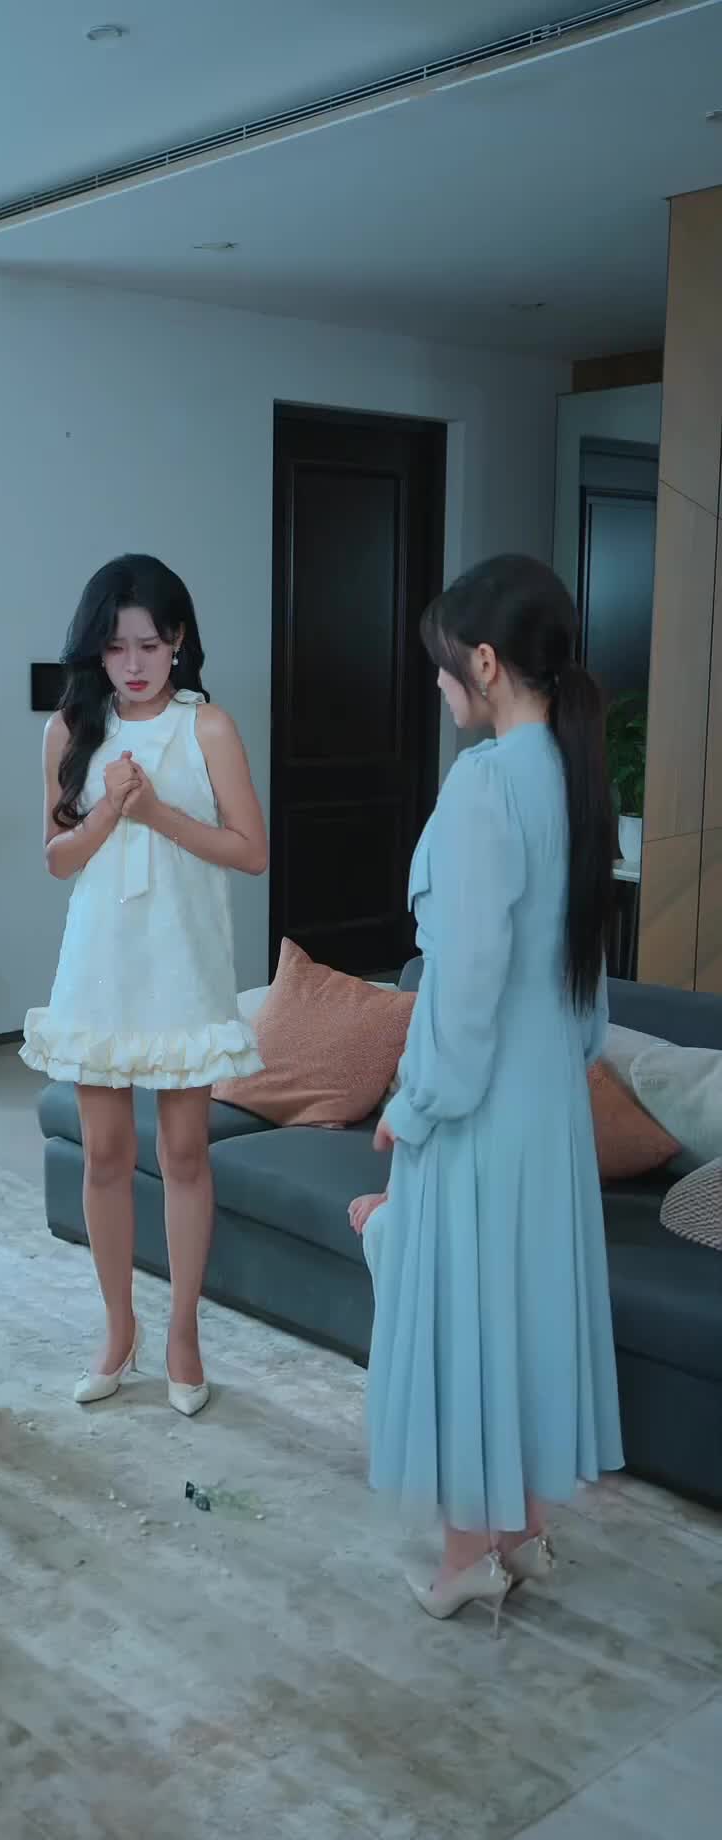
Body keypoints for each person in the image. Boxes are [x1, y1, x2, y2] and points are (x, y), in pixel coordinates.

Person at [349, 554, 624, 1621]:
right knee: (527, 1313)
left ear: (488, 662)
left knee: (466, 1320)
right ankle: (524, 1534)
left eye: (444, 664)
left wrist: (413, 1104)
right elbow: (586, 990)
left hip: (480, 1106)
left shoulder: (485, 786)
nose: (438, 684)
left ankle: (467, 1559)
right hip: (548, 1104)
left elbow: (460, 987)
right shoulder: (576, 774)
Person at [22, 555, 266, 1414]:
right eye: (117, 646)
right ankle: (118, 1330)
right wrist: (106, 812)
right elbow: (58, 860)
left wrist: (156, 812)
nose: (133, 664)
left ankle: (183, 1334)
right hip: (101, 962)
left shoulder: (209, 729)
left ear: (180, 643)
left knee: (185, 1152)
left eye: (151, 646)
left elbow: (251, 851)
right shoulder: (69, 730)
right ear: (95, 648)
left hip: (182, 960)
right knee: (103, 1154)